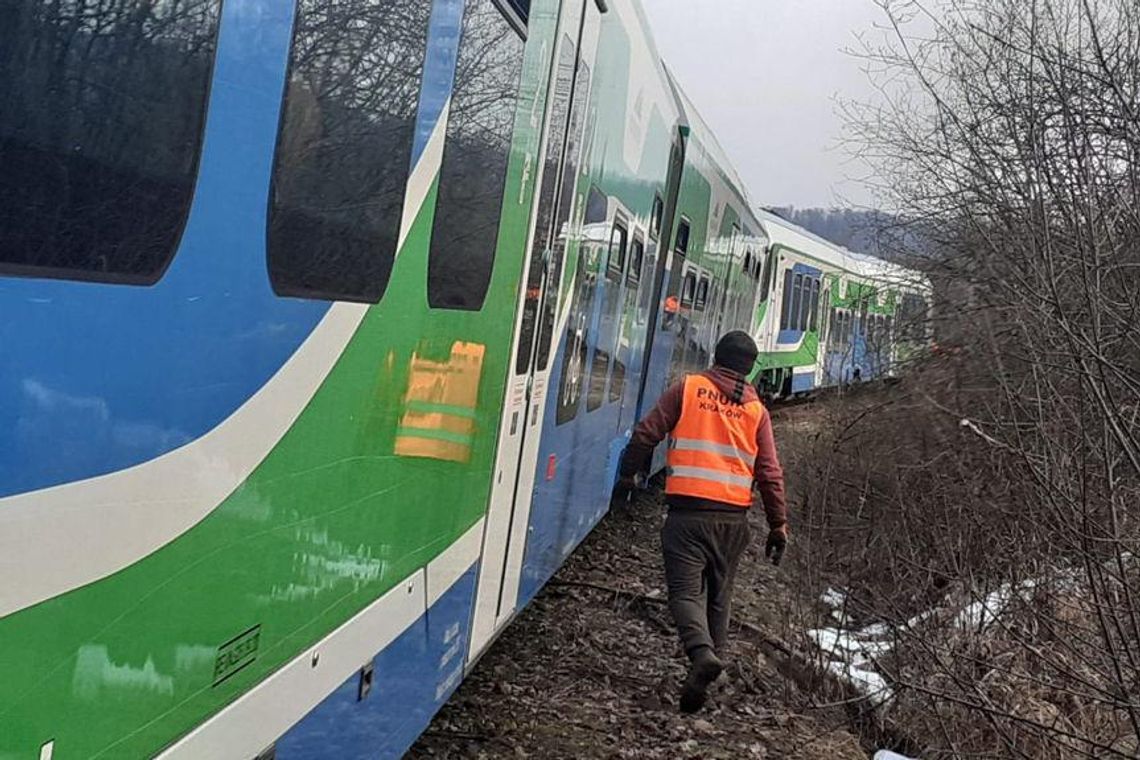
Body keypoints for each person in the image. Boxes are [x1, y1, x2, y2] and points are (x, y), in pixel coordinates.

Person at [617, 331, 788, 713]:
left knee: (683, 593)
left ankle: (701, 655)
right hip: (734, 522)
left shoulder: (689, 388)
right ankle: (707, 676)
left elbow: (647, 433)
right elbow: (770, 472)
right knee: (719, 598)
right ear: (750, 367)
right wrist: (779, 525)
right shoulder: (756, 410)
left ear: (715, 356)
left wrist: (629, 476)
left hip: (688, 517)